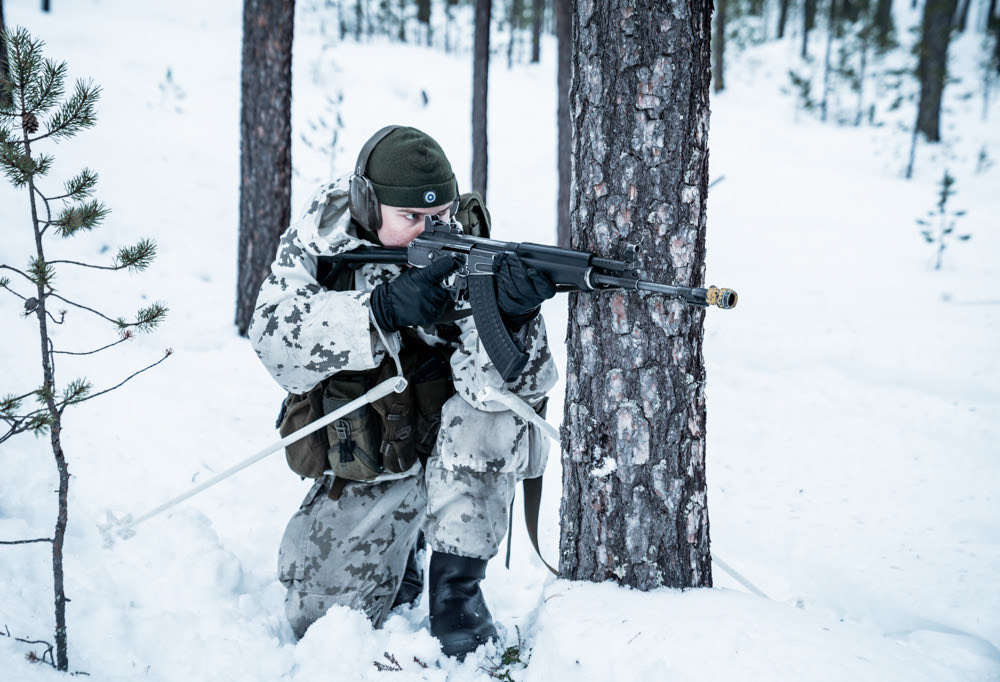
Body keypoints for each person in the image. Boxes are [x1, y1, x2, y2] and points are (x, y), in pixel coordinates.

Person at [248, 125, 558, 659]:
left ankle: (456, 590)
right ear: (370, 204)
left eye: (436, 218)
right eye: (409, 219)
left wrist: (513, 316)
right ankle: (402, 555)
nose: (426, 233)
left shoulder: (469, 246)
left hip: (453, 450)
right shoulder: (325, 234)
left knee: (487, 417)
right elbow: (272, 337)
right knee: (318, 618)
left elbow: (500, 394)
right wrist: (378, 312)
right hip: (372, 451)